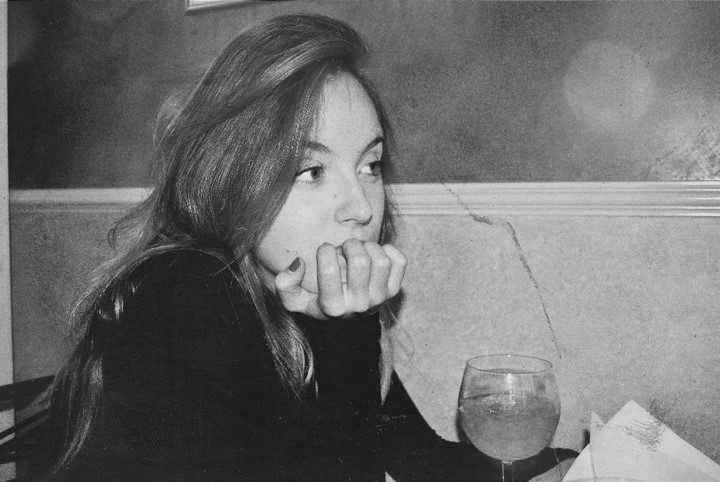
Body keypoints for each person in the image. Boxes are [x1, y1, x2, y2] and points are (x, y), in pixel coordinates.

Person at [22, 13, 575, 481]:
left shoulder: (302, 292)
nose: (361, 206)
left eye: (370, 165)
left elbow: (413, 456)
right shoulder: (183, 297)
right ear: (230, 178)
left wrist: (559, 463)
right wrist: (347, 334)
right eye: (311, 171)